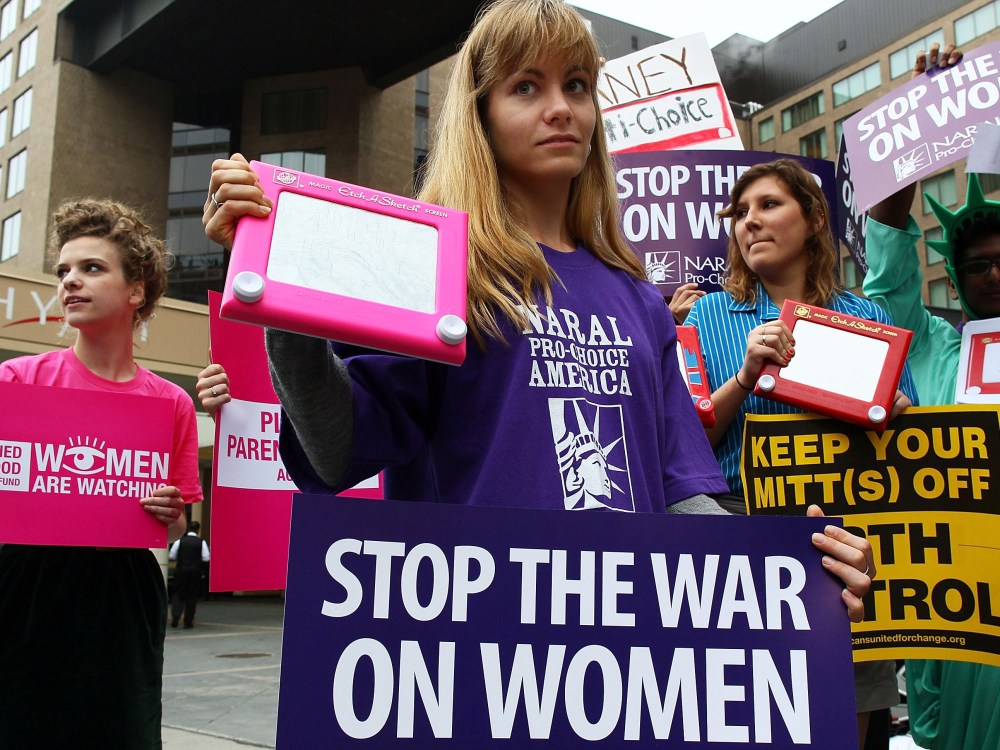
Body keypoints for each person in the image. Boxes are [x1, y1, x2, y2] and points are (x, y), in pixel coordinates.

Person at [204, 0, 874, 616]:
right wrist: (275, 281)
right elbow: (335, 447)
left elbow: (681, 494)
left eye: (576, 85)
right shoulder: (434, 269)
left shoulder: (641, 300)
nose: (561, 108)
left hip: (626, 650)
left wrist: (789, 574)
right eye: (527, 86)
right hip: (478, 648)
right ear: (481, 115)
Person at [684, 158, 918, 747]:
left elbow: (903, 432)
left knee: (847, 709)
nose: (749, 223)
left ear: (815, 219)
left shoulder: (867, 316)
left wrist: (893, 410)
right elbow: (687, 446)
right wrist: (743, 376)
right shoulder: (711, 314)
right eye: (740, 213)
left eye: (768, 206)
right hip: (740, 533)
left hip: (844, 537)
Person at [0, 198, 203, 749]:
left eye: (91, 268)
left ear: (136, 290)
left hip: (121, 595)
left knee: (119, 730)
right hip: (25, 584)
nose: (70, 281)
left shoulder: (171, 403)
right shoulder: (16, 381)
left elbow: (178, 525)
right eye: (64, 270)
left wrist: (170, 514)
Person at [862, 41, 999, 750]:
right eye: (979, 266)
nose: (996, 276)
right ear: (958, 279)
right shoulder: (933, 349)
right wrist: (916, 124)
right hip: (960, 609)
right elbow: (885, 254)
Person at [169, 520, 210, 628]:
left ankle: (176, 616)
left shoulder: (180, 541)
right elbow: (206, 558)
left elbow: (172, 556)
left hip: (181, 569)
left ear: (188, 529)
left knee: (178, 593)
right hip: (195, 571)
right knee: (192, 595)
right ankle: (188, 621)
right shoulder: (201, 542)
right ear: (198, 529)